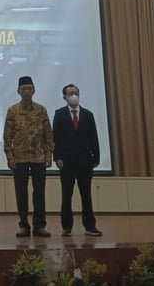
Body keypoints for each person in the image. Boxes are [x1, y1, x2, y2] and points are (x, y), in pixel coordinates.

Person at [3, 76, 54, 237]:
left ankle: (39, 225)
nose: (26, 91)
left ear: (34, 90)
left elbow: (48, 135)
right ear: (18, 91)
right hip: (19, 158)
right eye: (23, 88)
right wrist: (9, 157)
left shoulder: (41, 110)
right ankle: (23, 225)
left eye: (29, 88)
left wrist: (49, 155)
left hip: (39, 157)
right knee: (21, 193)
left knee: (39, 193)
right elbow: (7, 136)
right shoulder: (13, 110)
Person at [52, 84, 103, 237]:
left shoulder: (88, 114)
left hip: (85, 160)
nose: (73, 96)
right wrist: (57, 157)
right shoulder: (59, 114)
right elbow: (56, 138)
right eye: (70, 93)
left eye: (75, 93)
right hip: (66, 161)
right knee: (66, 194)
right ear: (64, 97)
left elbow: (94, 137)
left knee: (86, 194)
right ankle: (66, 226)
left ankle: (90, 225)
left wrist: (96, 157)